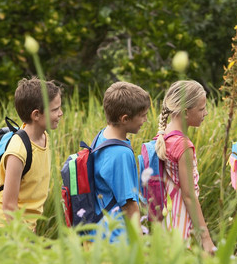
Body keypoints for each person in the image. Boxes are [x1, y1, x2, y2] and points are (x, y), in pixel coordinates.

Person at [0, 78, 63, 232]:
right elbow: (9, 206)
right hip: (3, 228)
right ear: (36, 115)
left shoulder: (43, 137)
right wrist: (25, 240)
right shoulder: (18, 151)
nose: (60, 113)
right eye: (55, 110)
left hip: (24, 226)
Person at [155, 80, 215, 252]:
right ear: (186, 112)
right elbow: (189, 196)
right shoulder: (183, 146)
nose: (206, 113)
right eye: (202, 109)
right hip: (180, 221)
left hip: (165, 219)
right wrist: (206, 239)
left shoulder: (162, 139)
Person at [92, 81, 150, 243]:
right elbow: (129, 205)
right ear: (125, 119)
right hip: (116, 237)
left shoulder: (102, 136)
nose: (145, 120)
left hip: (99, 230)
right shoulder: (120, 153)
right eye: (143, 115)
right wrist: (140, 246)